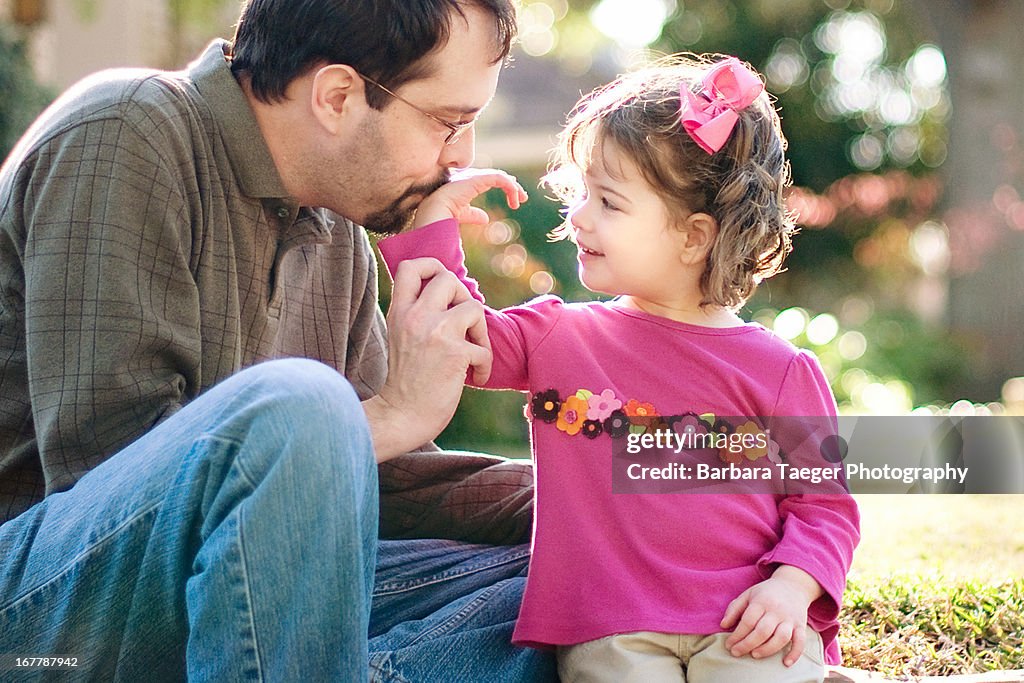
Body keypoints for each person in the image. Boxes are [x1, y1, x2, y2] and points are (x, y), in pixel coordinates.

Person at [0, 0, 558, 680]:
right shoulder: (125, 130)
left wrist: (601, 491)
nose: (463, 156)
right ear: (338, 96)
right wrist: (388, 414)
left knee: (565, 577)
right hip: (46, 618)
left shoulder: (337, 231)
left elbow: (377, 481)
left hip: (243, 592)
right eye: (449, 122)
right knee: (301, 405)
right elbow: (110, 475)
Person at [378, 55, 861, 682]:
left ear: (694, 237)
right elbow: (460, 335)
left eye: (607, 200)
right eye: (581, 193)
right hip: (612, 626)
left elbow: (824, 506)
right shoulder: (559, 335)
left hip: (748, 619)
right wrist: (432, 225)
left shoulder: (780, 371)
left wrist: (791, 591)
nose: (578, 215)